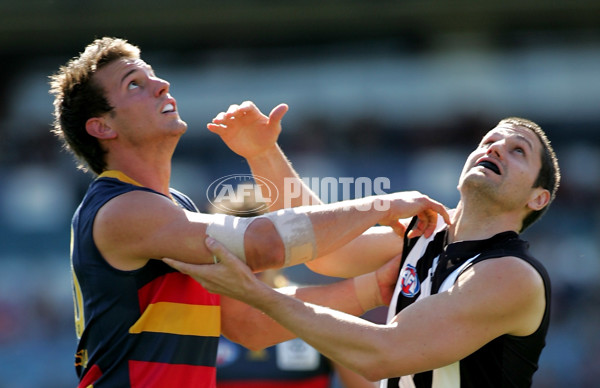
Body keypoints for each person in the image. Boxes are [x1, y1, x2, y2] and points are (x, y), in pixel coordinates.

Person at [48, 37, 450, 387]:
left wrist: (371, 289)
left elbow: (249, 324)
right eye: (135, 84)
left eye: (153, 75)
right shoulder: (123, 209)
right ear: (102, 127)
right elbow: (264, 245)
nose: (161, 85)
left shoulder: (168, 207)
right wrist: (380, 205)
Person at [165, 102, 561, 387]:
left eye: (517, 151)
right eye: (490, 140)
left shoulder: (510, 274)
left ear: (538, 198)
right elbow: (325, 250)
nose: (494, 148)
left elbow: (382, 354)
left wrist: (258, 294)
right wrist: (263, 153)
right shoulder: (423, 231)